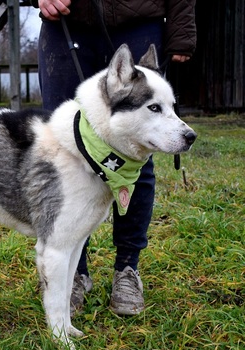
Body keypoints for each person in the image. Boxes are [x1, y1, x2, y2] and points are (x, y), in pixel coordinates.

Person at [32, 0, 197, 315]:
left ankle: (127, 269)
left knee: (138, 149)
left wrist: (182, 29)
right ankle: (72, 271)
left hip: (139, 15)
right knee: (63, 152)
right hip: (67, 19)